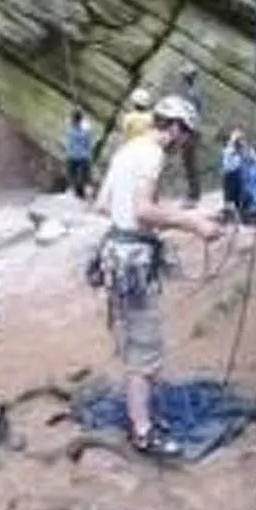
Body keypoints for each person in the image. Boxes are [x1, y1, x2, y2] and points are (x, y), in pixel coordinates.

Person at [91, 95, 222, 458]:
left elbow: (103, 205)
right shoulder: (152, 154)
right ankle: (143, 432)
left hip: (117, 257)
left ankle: (141, 418)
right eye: (186, 136)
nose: (185, 145)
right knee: (144, 351)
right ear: (176, 128)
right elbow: (144, 210)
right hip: (132, 262)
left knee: (135, 342)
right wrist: (193, 223)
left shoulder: (128, 150)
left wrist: (139, 226)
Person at [179, 64, 203, 205]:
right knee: (190, 163)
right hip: (193, 130)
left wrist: (185, 130)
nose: (182, 77)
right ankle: (193, 194)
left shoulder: (191, 93)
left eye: (184, 75)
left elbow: (190, 114)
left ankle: (193, 196)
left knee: (190, 163)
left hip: (190, 131)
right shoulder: (193, 91)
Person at [64, 106, 93, 198]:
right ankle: (81, 189)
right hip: (83, 157)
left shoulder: (70, 129)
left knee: (72, 176)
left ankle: (75, 188)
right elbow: (88, 144)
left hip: (72, 156)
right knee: (83, 178)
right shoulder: (86, 130)